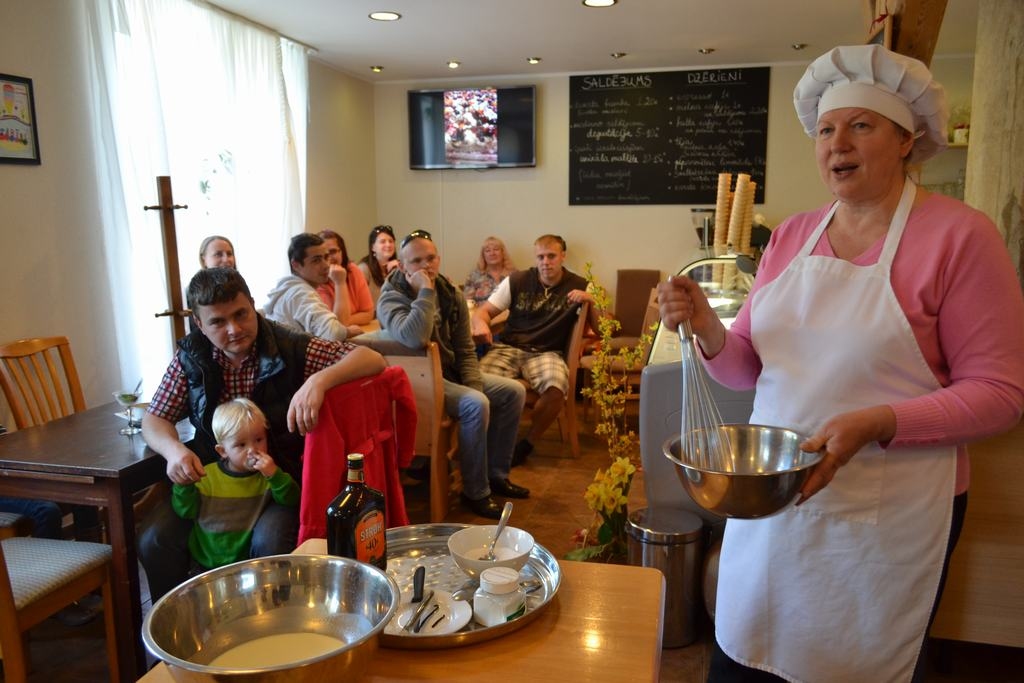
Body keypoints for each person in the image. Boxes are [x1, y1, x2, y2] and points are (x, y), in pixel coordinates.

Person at [657, 45, 1024, 683]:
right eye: (826, 130)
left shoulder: (961, 237)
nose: (838, 145)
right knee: (746, 654)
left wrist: (880, 422)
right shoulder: (792, 235)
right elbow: (749, 369)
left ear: (906, 139)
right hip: (773, 495)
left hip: (890, 511)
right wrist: (707, 326)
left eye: (861, 125)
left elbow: (1000, 393)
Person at [141, 266, 386, 599]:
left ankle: (269, 619)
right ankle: (177, 623)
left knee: (269, 541)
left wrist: (318, 381)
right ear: (198, 323)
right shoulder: (191, 357)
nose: (234, 329)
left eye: (241, 314)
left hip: (275, 482)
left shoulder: (288, 345)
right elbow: (155, 418)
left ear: (253, 304)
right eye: (218, 322)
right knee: (154, 540)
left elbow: (372, 358)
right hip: (214, 482)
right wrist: (173, 450)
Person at [378, 230, 529, 519]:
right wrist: (425, 292)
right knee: (475, 403)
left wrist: (475, 385)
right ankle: (475, 491)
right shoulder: (391, 297)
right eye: (417, 261)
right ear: (402, 265)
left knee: (513, 391)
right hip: (417, 381)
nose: (426, 266)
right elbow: (414, 337)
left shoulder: (450, 293)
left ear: (438, 258)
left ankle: (496, 474)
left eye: (431, 258)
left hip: (448, 372)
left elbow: (464, 348)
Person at [472, 234, 600, 465]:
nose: (546, 262)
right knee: (475, 384)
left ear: (562, 256)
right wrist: (480, 322)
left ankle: (527, 442)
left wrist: (591, 299)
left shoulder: (580, 285)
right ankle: (485, 443)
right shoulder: (517, 280)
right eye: (541, 257)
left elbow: (602, 329)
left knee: (556, 389)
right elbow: (484, 311)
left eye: (551, 256)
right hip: (508, 348)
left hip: (546, 352)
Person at [172, 398, 299, 572]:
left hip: (247, 566)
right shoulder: (206, 476)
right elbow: (185, 511)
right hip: (205, 564)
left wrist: (274, 475)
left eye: (259, 439)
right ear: (223, 451)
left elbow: (292, 499)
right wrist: (184, 486)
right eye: (241, 445)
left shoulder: (267, 476)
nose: (253, 450)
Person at [263, 233, 364, 341]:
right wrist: (348, 331)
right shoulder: (300, 293)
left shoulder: (292, 290)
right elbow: (332, 333)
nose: (326, 265)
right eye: (316, 260)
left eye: (326, 257)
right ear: (295, 265)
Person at [316, 229, 374, 326]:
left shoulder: (353, 270)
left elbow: (369, 314)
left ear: (342, 252)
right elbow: (336, 324)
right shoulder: (316, 281)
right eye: (323, 254)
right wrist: (340, 283)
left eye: (333, 251)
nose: (329, 258)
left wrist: (346, 321)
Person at [463, 236, 516, 305]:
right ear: (483, 256)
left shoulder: (515, 275)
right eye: (487, 251)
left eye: (496, 249)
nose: (492, 253)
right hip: (480, 311)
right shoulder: (474, 276)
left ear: (503, 253)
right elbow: (467, 302)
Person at [359, 224, 400, 305]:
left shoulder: (398, 267)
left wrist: (399, 270)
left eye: (391, 241)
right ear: (373, 247)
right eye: (383, 241)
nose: (388, 245)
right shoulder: (364, 269)